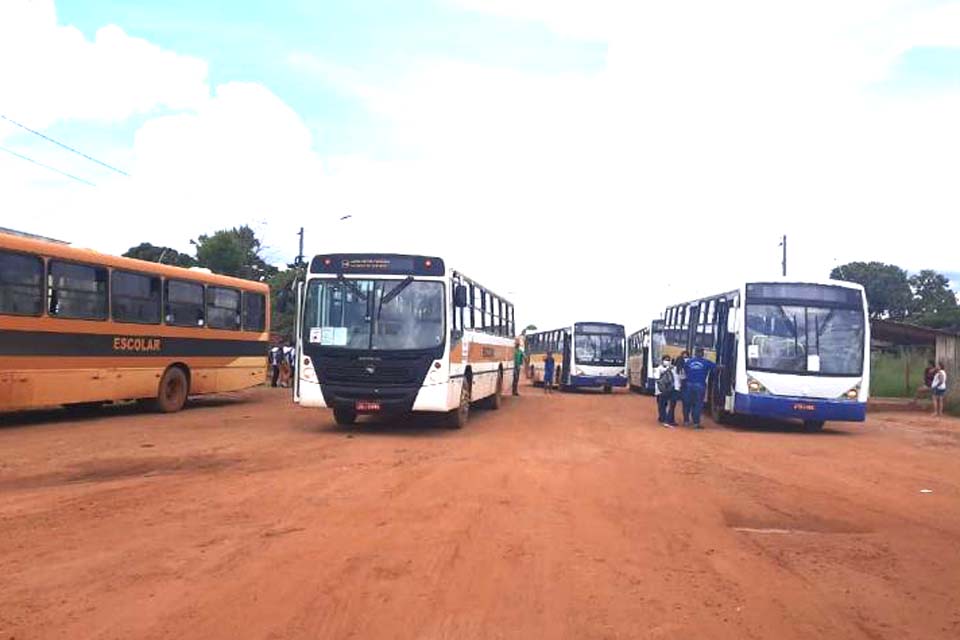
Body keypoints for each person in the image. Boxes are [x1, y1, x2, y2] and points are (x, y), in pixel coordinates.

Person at [684, 347, 717, 429]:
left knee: (687, 403)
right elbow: (716, 367)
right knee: (697, 404)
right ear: (702, 353)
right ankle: (696, 423)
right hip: (700, 386)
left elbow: (685, 370)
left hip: (689, 385)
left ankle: (686, 421)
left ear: (695, 353)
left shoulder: (689, 362)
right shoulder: (706, 362)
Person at [654, 355, 678, 428]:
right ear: (662, 360)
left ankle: (668, 419)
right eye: (665, 360)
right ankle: (662, 418)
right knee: (661, 405)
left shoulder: (673, 368)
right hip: (660, 390)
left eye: (668, 360)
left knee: (669, 404)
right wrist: (667, 370)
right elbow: (657, 377)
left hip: (669, 389)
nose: (667, 361)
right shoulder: (658, 368)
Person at [675, 350, 691, 425]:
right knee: (687, 404)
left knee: (685, 404)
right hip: (684, 388)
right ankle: (686, 420)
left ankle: (686, 420)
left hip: (680, 389)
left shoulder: (674, 369)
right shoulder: (688, 367)